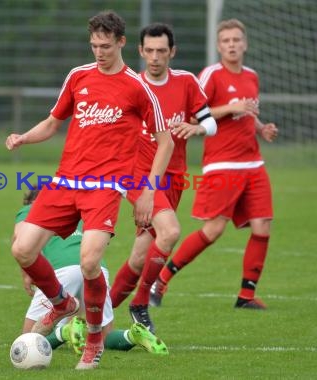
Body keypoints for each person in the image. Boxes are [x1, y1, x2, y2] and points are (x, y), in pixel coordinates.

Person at [5, 10, 173, 370]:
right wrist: (24, 138)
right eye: (94, 45)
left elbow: (165, 142)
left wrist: (147, 190)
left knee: (90, 262)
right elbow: (53, 123)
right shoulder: (78, 76)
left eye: (106, 46)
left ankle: (94, 340)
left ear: (122, 43)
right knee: (22, 250)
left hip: (105, 187)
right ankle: (62, 303)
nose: (99, 52)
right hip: (65, 182)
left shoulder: (137, 87)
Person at [150, 18, 279, 310]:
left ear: (244, 44)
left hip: (253, 162)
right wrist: (231, 107)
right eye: (226, 41)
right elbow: (195, 115)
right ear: (219, 46)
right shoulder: (210, 75)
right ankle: (162, 278)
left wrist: (261, 128)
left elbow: (247, 112)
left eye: (236, 40)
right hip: (222, 164)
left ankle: (246, 295)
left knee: (262, 227)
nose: (232, 45)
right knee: (213, 230)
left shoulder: (252, 76)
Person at [108, 23, 217, 333]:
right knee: (169, 232)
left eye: (161, 51)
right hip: (139, 177)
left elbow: (211, 124)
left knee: (140, 257)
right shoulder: (130, 85)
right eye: (149, 51)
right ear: (140, 51)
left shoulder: (186, 82)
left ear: (172, 52)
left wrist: (197, 128)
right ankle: (141, 302)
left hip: (174, 179)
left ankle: (90, 315)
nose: (155, 57)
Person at [13, 190, 168, 355]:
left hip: (62, 270)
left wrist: (27, 273)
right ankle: (132, 335)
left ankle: (64, 332)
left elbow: (19, 237)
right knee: (105, 335)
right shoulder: (73, 210)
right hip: (95, 269)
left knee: (27, 340)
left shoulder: (34, 209)